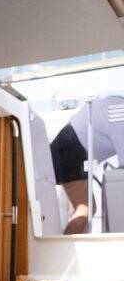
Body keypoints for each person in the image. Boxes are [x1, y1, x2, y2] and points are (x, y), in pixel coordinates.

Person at [50, 94, 124, 233]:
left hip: (70, 146)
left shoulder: (117, 104)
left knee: (87, 210)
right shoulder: (120, 111)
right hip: (70, 148)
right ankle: (64, 246)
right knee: (85, 210)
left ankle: (70, 245)